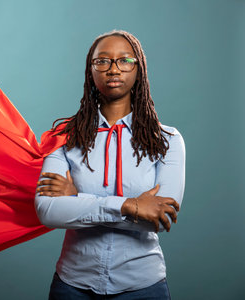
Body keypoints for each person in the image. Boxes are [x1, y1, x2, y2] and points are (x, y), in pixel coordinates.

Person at [35, 30, 185, 300]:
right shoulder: (64, 138)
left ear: (138, 69)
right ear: (90, 71)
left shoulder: (167, 141)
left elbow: (160, 219)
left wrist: (77, 199)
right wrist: (130, 206)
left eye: (125, 60)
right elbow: (48, 211)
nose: (113, 69)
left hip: (143, 286)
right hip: (73, 284)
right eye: (102, 61)